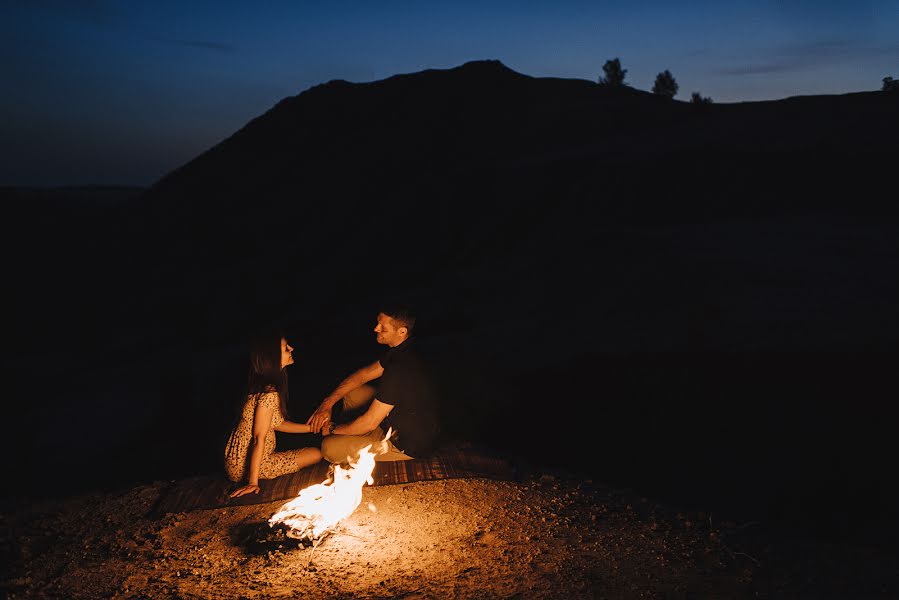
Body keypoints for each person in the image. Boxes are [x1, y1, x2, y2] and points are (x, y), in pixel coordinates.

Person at [307, 304, 440, 465]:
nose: (376, 329)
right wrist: (327, 404)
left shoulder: (401, 369)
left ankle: (347, 437)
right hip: (397, 417)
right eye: (378, 322)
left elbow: (369, 423)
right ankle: (350, 433)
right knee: (353, 392)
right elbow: (363, 375)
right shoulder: (402, 349)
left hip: (407, 442)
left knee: (328, 447)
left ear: (402, 331)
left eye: (383, 327)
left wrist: (333, 429)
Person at [224, 333, 322, 498]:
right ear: (273, 357)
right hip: (248, 466)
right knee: (316, 454)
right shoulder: (269, 394)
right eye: (285, 348)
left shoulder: (260, 386)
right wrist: (253, 482)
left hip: (236, 462)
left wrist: (313, 428)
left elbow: (277, 424)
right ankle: (254, 476)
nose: (292, 349)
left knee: (313, 452)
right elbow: (258, 438)